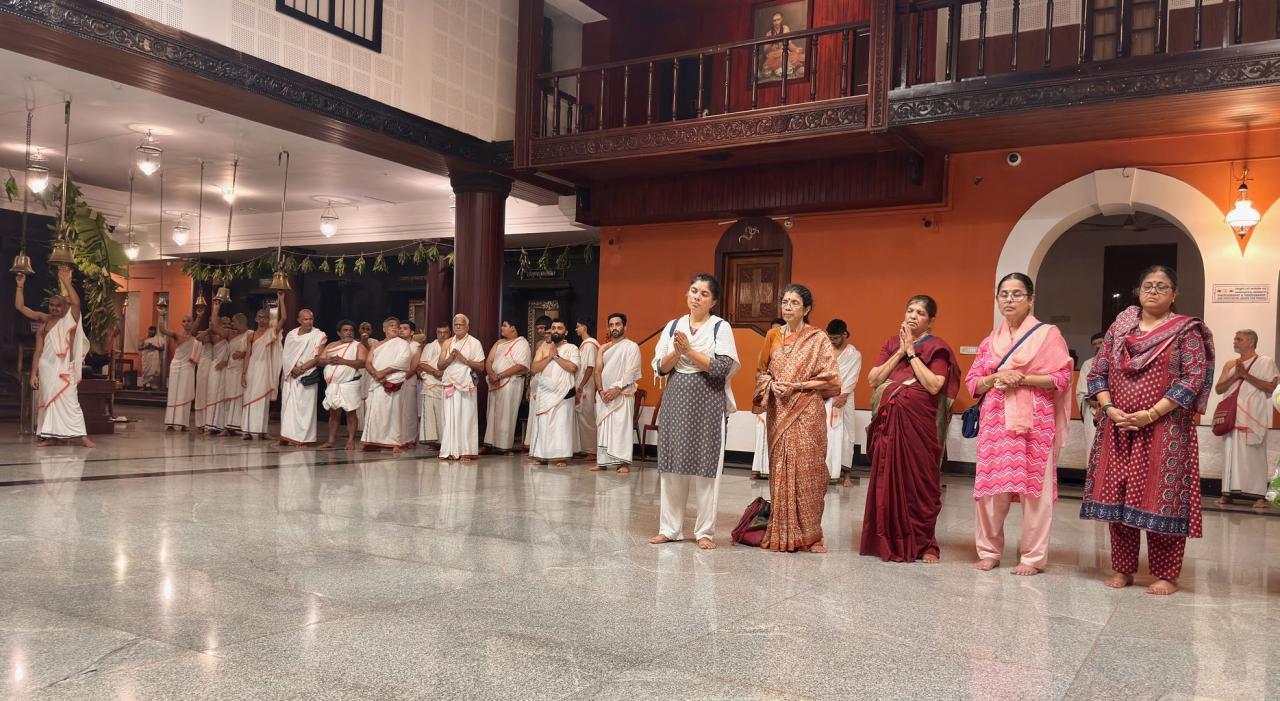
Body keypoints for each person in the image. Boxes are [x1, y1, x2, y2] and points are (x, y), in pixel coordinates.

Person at [1081, 265, 1214, 596]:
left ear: (1174, 294)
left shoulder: (1186, 331)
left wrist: (1151, 414)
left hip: (1166, 428)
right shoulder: (1120, 328)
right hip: (1118, 426)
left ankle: (1166, 574)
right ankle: (1123, 568)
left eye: (1161, 286)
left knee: (1162, 498)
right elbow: (1098, 372)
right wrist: (1109, 408)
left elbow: (1193, 379)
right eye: (1148, 286)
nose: (1153, 291)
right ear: (1138, 291)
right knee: (1118, 497)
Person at [965, 273, 1073, 575]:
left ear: (1031, 299)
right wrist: (997, 377)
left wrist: (1023, 378)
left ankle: (1032, 558)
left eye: (1017, 294)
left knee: (1035, 492)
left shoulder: (1048, 335)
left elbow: (1062, 377)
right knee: (991, 491)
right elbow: (973, 383)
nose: (1009, 300)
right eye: (1004, 294)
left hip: (1035, 424)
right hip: (995, 423)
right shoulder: (990, 341)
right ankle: (989, 551)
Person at [860, 294, 959, 563]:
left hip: (918, 430)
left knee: (919, 486)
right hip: (888, 429)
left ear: (931, 320)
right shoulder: (891, 344)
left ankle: (923, 543)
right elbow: (874, 379)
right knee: (886, 482)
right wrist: (900, 351)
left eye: (920, 313)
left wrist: (912, 353)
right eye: (910, 310)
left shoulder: (938, 348)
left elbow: (934, 385)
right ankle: (884, 539)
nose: (913, 316)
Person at [650, 273, 740, 550]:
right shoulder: (673, 326)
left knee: (705, 468)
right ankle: (669, 529)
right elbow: (660, 367)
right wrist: (677, 353)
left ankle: (704, 532)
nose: (697, 297)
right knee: (672, 467)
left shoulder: (720, 327)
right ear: (686, 294)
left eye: (704, 293)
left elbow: (721, 367)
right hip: (675, 401)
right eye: (693, 291)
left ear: (713, 301)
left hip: (708, 401)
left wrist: (688, 351)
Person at [754, 284, 840, 553]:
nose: (788, 307)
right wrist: (771, 384)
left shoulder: (818, 338)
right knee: (780, 469)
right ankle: (782, 530)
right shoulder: (772, 335)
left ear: (806, 309)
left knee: (808, 472)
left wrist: (798, 386)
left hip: (807, 411)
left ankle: (811, 535)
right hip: (779, 410)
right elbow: (761, 372)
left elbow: (831, 379)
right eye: (785, 302)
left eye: (794, 303)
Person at [17, 266, 93, 447]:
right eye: (52, 305)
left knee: (71, 400)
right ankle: (50, 436)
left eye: (58, 305)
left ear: (65, 307)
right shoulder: (44, 322)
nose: (54, 308)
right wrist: (20, 286)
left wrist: (66, 282)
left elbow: (76, 303)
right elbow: (20, 307)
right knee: (48, 402)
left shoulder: (69, 319)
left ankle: (82, 435)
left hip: (64, 368)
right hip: (46, 368)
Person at [1216, 330, 1278, 509]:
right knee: (1230, 454)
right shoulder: (1230, 364)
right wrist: (1236, 375)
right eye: (1234, 338)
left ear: (1251, 342)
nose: (1235, 341)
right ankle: (1227, 493)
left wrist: (1245, 375)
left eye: (1239, 339)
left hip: (1253, 415)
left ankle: (1259, 496)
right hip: (1232, 415)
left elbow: (1271, 387)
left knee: (1255, 455)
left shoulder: (1266, 362)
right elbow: (1219, 389)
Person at [592, 312, 642, 473]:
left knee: (621, 428)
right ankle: (602, 462)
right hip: (604, 395)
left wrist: (617, 389)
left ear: (625, 327)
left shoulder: (632, 347)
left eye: (618, 324)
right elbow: (597, 371)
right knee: (604, 427)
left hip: (623, 394)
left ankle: (623, 463)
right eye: (611, 325)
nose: (614, 327)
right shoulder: (603, 348)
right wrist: (600, 390)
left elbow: (632, 371)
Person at [529, 319, 581, 467]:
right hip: (545, 392)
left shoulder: (572, 348)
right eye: (553, 328)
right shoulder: (544, 348)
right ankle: (542, 455)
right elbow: (534, 369)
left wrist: (556, 357)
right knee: (544, 425)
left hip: (563, 393)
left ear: (566, 332)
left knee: (561, 425)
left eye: (559, 328)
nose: (555, 330)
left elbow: (573, 368)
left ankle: (561, 457)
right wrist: (549, 356)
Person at [436, 314, 486, 460]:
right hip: (450, 382)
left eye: (461, 324)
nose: (458, 327)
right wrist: (450, 358)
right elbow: (440, 366)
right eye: (456, 324)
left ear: (467, 327)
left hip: (466, 383)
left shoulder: (475, 343)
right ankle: (451, 450)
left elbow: (481, 366)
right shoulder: (447, 343)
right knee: (450, 417)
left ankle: (466, 451)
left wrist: (464, 360)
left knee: (466, 417)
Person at [362, 317, 415, 451]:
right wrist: (376, 375)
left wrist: (384, 373)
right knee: (375, 411)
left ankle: (393, 442)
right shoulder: (376, 345)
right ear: (384, 328)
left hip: (393, 381)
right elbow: (368, 362)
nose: (395, 327)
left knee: (393, 413)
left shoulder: (403, 344)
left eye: (397, 325)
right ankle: (373, 441)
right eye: (391, 325)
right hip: (377, 382)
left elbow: (403, 361)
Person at [278, 308, 328, 447]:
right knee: (287, 406)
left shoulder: (319, 335)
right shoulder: (291, 335)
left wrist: (301, 369)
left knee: (305, 408)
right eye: (306, 319)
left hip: (307, 373)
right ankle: (286, 436)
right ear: (299, 320)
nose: (309, 322)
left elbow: (318, 357)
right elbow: (286, 354)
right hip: (291, 373)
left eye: (311, 319)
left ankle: (304, 439)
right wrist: (292, 367)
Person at [241, 293, 286, 440]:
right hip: (252, 369)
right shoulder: (251, 335)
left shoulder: (271, 332)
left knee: (263, 400)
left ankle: (262, 431)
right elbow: (247, 355)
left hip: (265, 369)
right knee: (249, 397)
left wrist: (281, 300)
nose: (262, 320)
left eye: (265, 317)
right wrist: (244, 373)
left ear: (268, 319)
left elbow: (284, 319)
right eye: (260, 317)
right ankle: (247, 431)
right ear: (255, 319)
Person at [483, 319, 531, 454]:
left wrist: (499, 376)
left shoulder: (522, 343)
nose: (501, 328)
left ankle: (504, 446)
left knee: (506, 414)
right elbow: (489, 361)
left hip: (511, 383)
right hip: (494, 382)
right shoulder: (499, 343)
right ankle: (489, 444)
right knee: (491, 413)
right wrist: (491, 375)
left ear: (513, 328)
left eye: (505, 325)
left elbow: (521, 365)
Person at [319, 319, 367, 450]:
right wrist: (329, 360)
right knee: (334, 413)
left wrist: (343, 361)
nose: (349, 332)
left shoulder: (358, 346)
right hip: (333, 385)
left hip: (349, 384)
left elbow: (363, 363)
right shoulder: (331, 345)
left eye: (351, 330)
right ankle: (330, 440)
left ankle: (351, 441)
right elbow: (320, 360)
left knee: (350, 413)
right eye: (345, 330)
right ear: (339, 333)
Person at [825, 319, 863, 484]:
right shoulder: (825, 351)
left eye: (835, 338)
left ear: (845, 335)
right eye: (830, 338)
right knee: (827, 433)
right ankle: (826, 472)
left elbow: (852, 377)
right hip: (826, 395)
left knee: (847, 435)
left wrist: (843, 396)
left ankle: (846, 474)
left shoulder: (854, 354)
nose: (832, 341)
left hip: (845, 398)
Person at [751, 318, 785, 479]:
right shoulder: (764, 353)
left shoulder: (790, 352)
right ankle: (759, 469)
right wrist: (768, 385)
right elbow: (759, 374)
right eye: (772, 331)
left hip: (783, 397)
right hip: (767, 395)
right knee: (761, 433)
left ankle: (776, 471)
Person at [523, 315, 554, 450]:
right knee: (533, 411)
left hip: (549, 380)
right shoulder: (538, 344)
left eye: (543, 328)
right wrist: (529, 386)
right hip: (536, 380)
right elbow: (534, 366)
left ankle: (543, 444)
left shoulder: (556, 343)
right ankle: (532, 443)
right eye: (538, 329)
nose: (540, 331)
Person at [417, 323, 450, 447]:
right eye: (440, 332)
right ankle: (434, 441)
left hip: (447, 382)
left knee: (445, 413)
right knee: (431, 413)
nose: (442, 335)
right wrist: (435, 372)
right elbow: (422, 363)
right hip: (431, 382)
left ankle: (445, 440)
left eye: (445, 332)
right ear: (436, 333)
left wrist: (443, 373)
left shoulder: (453, 346)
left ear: (449, 333)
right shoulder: (430, 346)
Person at [218, 313, 249, 436]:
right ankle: (227, 426)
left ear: (240, 322)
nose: (232, 324)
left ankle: (238, 426)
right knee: (228, 398)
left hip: (241, 370)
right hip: (230, 370)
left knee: (238, 398)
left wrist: (243, 354)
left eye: (234, 322)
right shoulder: (233, 335)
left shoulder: (250, 334)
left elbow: (253, 351)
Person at [1076, 332, 1106, 454]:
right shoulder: (1088, 364)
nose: (1098, 346)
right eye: (1095, 344)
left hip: (1116, 412)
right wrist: (1099, 405)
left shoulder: (1117, 362)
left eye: (1101, 342)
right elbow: (1083, 393)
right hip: (1094, 412)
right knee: (1093, 449)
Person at [574, 317, 600, 458]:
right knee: (581, 418)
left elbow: (590, 367)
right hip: (582, 385)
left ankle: (592, 450)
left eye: (578, 326)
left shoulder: (590, 344)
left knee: (587, 418)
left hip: (587, 386)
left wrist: (581, 386)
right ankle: (583, 449)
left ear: (585, 327)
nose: (576, 329)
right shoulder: (584, 344)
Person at [192, 318, 221, 432]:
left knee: (212, 393)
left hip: (215, 365)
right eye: (210, 322)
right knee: (202, 392)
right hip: (204, 364)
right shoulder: (204, 334)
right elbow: (198, 338)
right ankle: (201, 423)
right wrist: (209, 329)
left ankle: (211, 422)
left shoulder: (221, 334)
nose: (212, 324)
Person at [397, 321, 421, 449]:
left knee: (409, 410)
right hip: (394, 380)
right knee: (397, 410)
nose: (401, 330)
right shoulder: (395, 345)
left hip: (408, 380)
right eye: (400, 328)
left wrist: (402, 378)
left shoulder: (416, 346)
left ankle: (410, 439)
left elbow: (414, 366)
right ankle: (397, 438)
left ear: (412, 332)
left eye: (405, 328)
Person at [355, 321, 376, 428]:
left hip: (369, 372)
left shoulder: (375, 342)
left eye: (368, 329)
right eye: (363, 328)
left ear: (371, 331)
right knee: (356, 397)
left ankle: (368, 426)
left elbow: (375, 355)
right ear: (359, 330)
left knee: (368, 397)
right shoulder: (354, 342)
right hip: (357, 372)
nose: (365, 331)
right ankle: (358, 426)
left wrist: (365, 343)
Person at [139, 325, 166, 390]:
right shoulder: (144, 339)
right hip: (146, 358)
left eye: (152, 331)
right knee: (145, 371)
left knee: (154, 371)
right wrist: (145, 347)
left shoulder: (159, 339)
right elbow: (139, 348)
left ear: (155, 332)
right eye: (149, 331)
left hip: (154, 357)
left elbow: (162, 348)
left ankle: (154, 386)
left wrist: (154, 346)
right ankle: (144, 386)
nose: (150, 333)